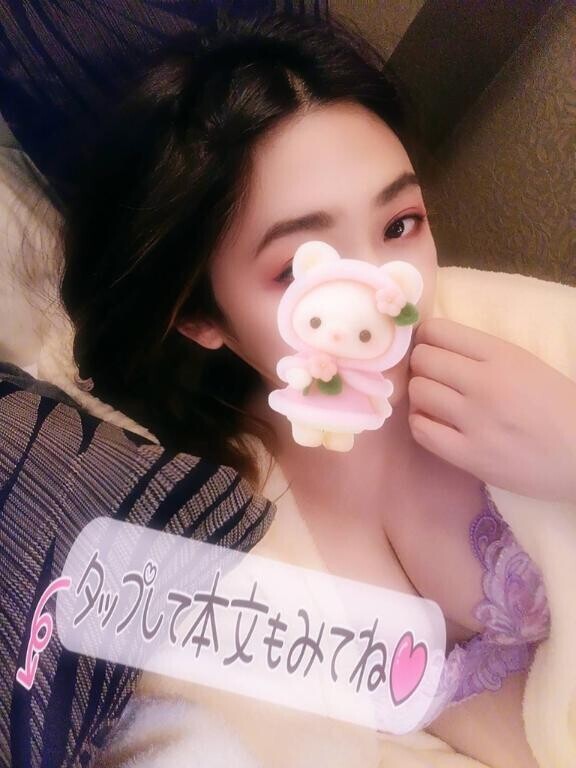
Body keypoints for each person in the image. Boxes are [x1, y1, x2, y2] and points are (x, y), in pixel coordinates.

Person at [59, 12, 576, 768]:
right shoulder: (218, 524)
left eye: (399, 225)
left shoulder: (520, 340)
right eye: (301, 267)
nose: (382, 295)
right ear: (202, 318)